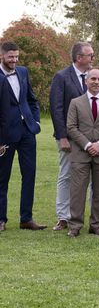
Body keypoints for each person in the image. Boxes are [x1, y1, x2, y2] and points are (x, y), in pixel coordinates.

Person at [66, 68, 99, 237]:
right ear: (86, 81)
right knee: (77, 191)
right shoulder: (76, 102)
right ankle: (75, 225)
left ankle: (96, 224)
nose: (96, 82)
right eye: (93, 79)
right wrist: (88, 144)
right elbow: (71, 127)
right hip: (81, 153)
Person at [0, 41, 45, 231]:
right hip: (5, 134)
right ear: (1, 56)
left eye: (17, 56)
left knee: (30, 174)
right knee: (2, 178)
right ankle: (1, 219)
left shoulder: (23, 72)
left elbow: (31, 99)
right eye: (11, 57)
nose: (14, 60)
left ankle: (26, 219)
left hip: (27, 131)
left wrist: (36, 121)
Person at [49, 41, 94, 231]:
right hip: (69, 137)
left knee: (93, 177)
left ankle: (95, 217)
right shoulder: (62, 77)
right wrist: (62, 137)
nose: (93, 58)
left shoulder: (94, 77)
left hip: (92, 137)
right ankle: (63, 217)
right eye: (90, 55)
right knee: (66, 175)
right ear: (79, 58)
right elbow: (56, 108)